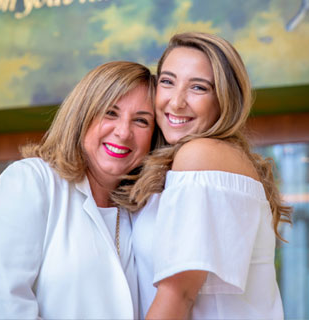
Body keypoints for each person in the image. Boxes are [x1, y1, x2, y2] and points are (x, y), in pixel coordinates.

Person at [114, 32, 292, 319]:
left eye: (198, 87)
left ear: (224, 100)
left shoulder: (201, 155)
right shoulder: (180, 165)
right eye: (168, 82)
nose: (176, 102)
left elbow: (179, 297)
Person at [0, 61, 162, 319]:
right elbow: (3, 306)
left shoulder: (140, 212)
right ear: (82, 115)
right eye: (110, 113)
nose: (124, 132)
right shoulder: (30, 182)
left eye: (141, 121)